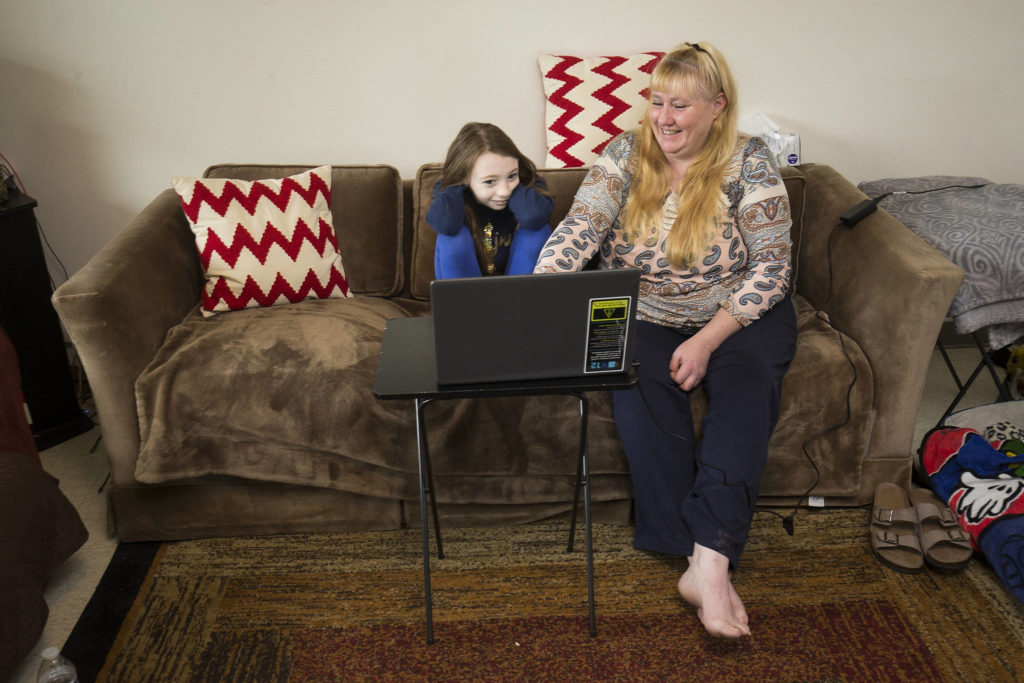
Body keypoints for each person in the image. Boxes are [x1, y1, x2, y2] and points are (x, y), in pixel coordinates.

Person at [534, 42, 797, 639]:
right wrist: (543, 290)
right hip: (641, 306)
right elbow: (583, 225)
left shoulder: (749, 161)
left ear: (717, 107)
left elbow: (773, 269)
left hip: (736, 309)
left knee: (748, 388)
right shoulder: (625, 153)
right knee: (633, 383)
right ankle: (696, 553)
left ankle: (710, 561)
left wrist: (707, 340)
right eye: (657, 102)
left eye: (681, 105)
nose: (664, 117)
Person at [427, 122, 554, 278]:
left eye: (512, 175)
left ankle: (520, 301)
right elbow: (445, 225)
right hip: (468, 295)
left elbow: (534, 216)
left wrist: (517, 181)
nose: (504, 192)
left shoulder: (530, 187)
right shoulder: (449, 195)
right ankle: (464, 302)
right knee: (453, 238)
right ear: (464, 177)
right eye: (489, 181)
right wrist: (458, 183)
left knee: (537, 231)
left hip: (516, 293)